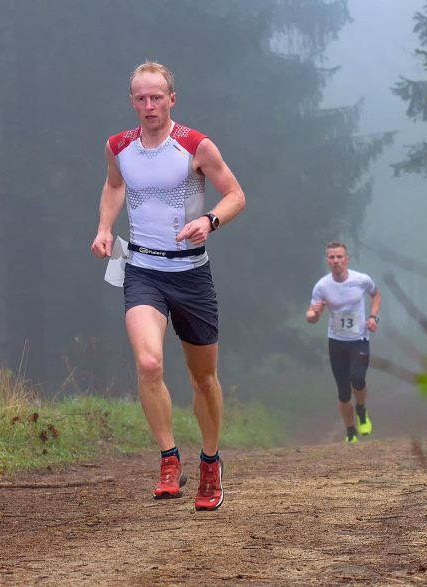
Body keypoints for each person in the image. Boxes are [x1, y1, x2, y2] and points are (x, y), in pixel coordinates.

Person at [90, 61, 245, 511]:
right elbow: (114, 185)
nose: (149, 105)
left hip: (192, 274)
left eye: (157, 96)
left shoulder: (194, 145)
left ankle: (211, 463)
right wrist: (104, 227)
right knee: (149, 362)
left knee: (203, 378)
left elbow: (235, 194)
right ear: (132, 101)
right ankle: (168, 459)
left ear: (171, 99)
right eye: (141, 97)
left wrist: (209, 220)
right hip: (141, 270)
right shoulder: (118, 146)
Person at [306, 242, 382, 443]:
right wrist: (315, 314)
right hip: (336, 342)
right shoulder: (322, 286)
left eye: (339, 257)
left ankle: (362, 410)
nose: (336, 261)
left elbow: (376, 294)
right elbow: (311, 317)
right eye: (331, 257)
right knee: (343, 391)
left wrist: (373, 317)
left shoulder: (362, 280)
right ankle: (350, 432)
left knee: (358, 378)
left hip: (359, 339)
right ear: (327, 261)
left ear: (347, 259)